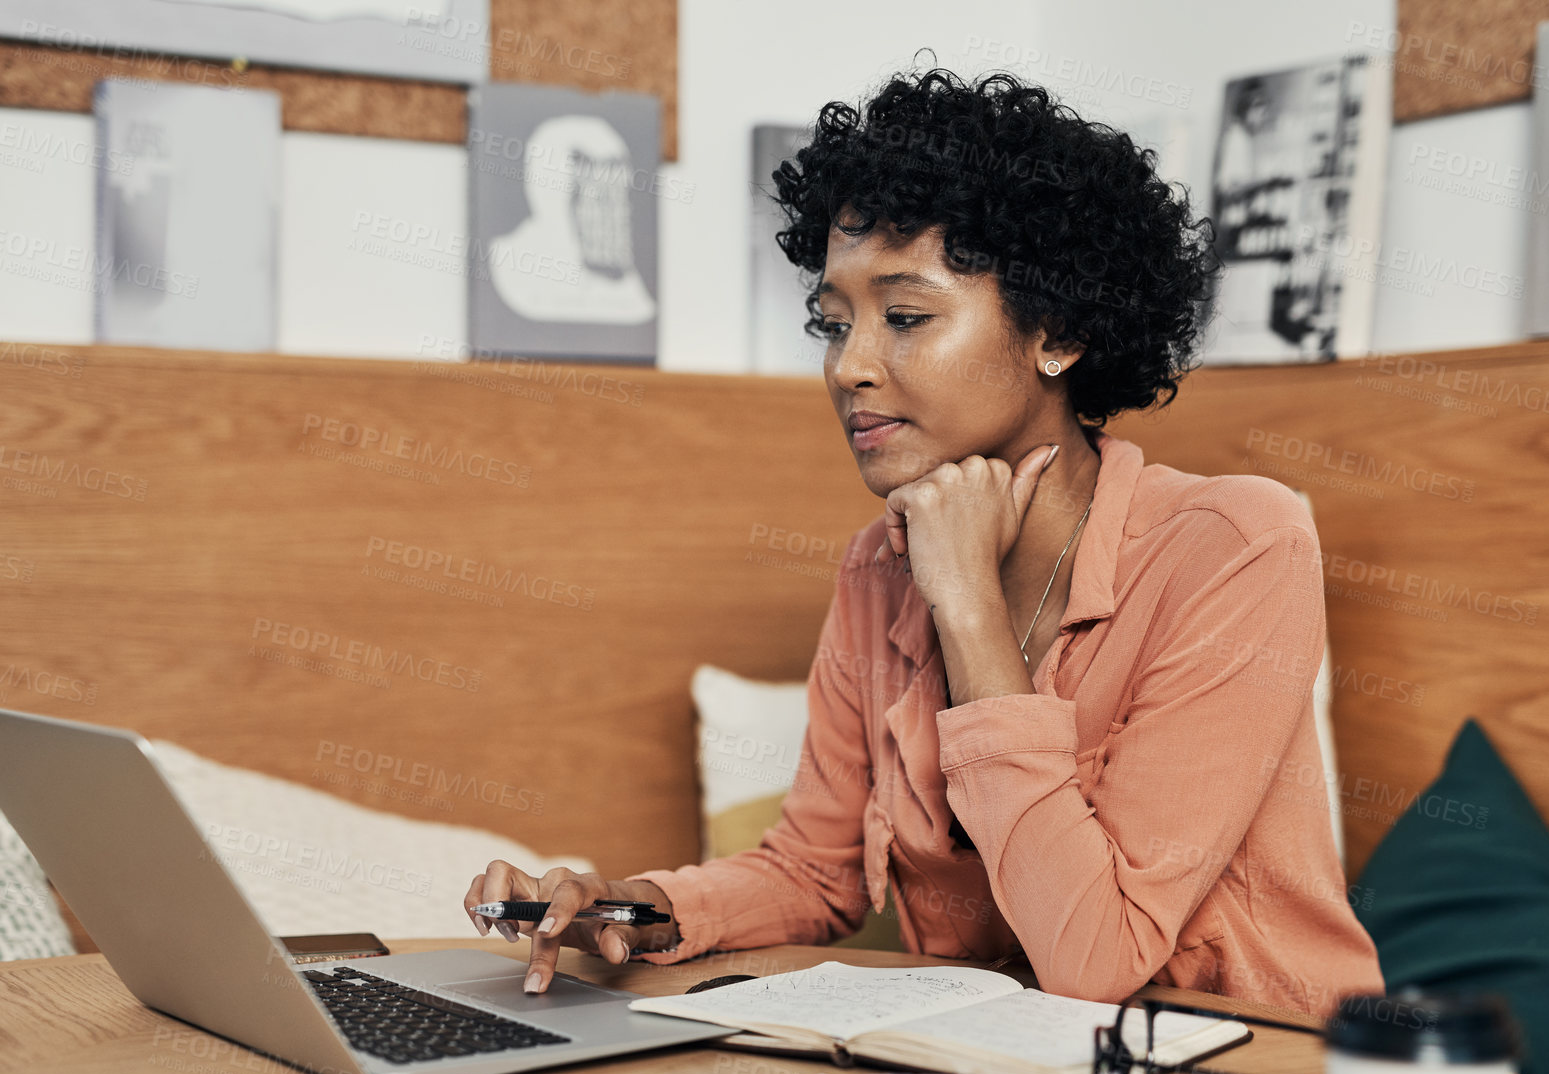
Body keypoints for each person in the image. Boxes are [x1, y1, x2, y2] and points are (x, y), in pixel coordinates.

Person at [466, 59, 1383, 1017]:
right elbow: (815, 873)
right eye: (832, 323)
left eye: (905, 316)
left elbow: (1097, 958)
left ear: (1056, 334)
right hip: (998, 1065)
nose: (849, 366)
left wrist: (966, 603)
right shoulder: (876, 567)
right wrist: (635, 908)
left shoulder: (1235, 544)